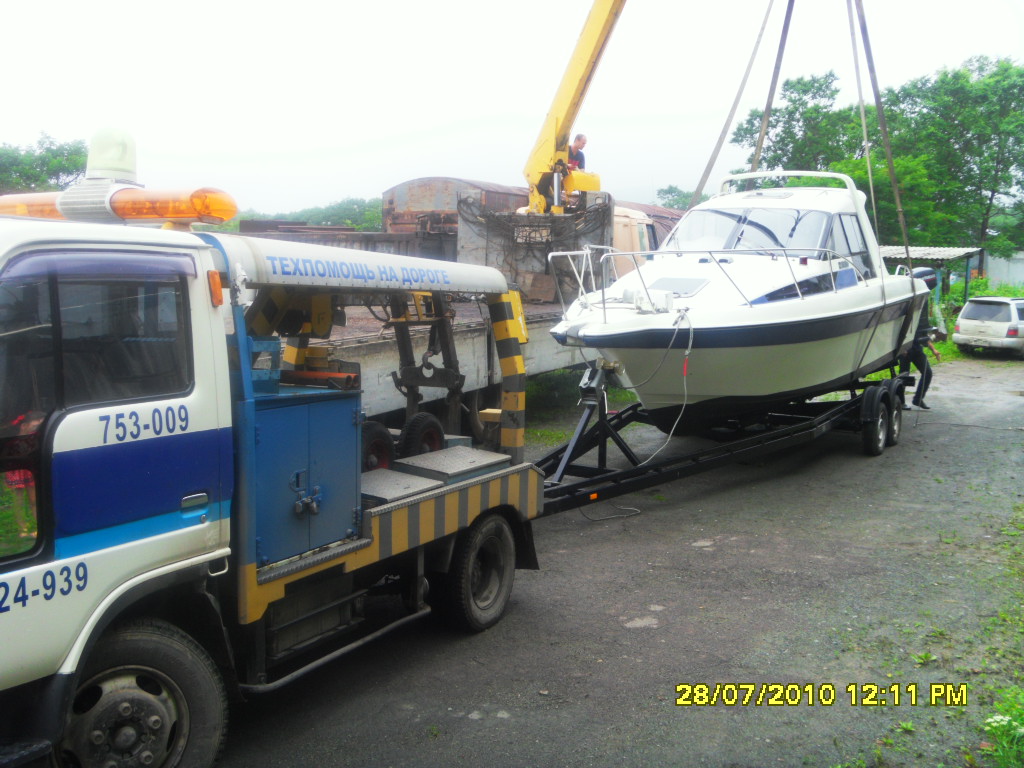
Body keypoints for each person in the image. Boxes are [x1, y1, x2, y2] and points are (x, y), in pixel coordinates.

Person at [900, 307, 941, 409]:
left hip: (916, 350)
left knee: (928, 373)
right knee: (904, 377)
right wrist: (901, 348)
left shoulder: (920, 319)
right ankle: (900, 402)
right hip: (905, 351)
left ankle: (918, 399)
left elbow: (924, 338)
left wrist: (934, 350)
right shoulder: (904, 316)